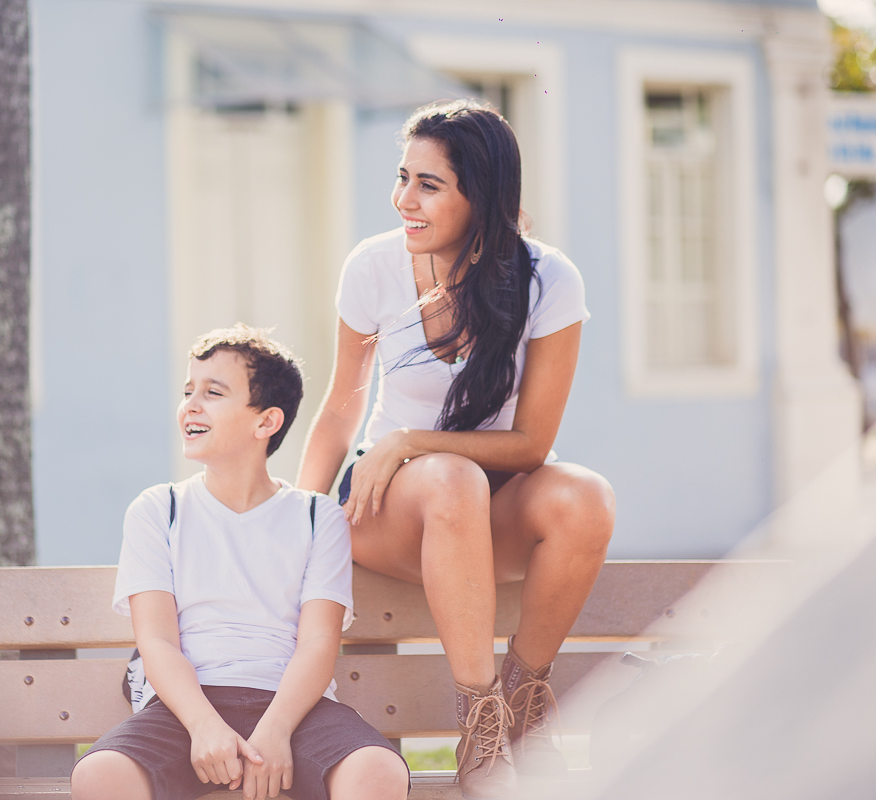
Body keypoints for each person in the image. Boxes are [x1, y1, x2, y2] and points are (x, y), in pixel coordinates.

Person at [297, 99, 615, 799]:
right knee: (449, 479)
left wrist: (414, 437)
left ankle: (521, 702)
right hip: (389, 508)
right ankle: (477, 717)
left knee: (586, 498)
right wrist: (294, 518)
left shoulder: (548, 281)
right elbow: (341, 405)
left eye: (429, 185)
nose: (403, 200)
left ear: (484, 195)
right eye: (402, 178)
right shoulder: (374, 266)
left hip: (484, 505)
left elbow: (533, 443)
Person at [71, 324, 409, 800]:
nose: (191, 404)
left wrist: (275, 732)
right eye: (188, 390)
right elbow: (158, 641)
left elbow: (317, 642)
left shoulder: (317, 517)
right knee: (99, 775)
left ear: (266, 422)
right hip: (184, 710)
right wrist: (205, 727)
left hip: (294, 709)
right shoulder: (157, 510)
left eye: (213, 392)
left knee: (379, 772)